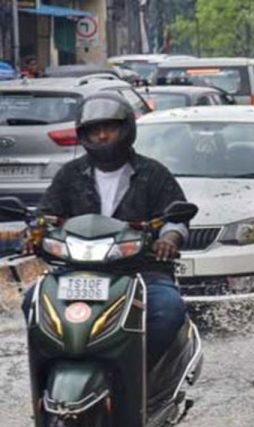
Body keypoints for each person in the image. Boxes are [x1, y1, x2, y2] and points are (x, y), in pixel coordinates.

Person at [21, 92, 189, 367]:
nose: (101, 136)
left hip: (140, 271)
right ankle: (48, 385)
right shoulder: (70, 174)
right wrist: (34, 233)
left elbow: (176, 217)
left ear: (126, 129)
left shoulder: (153, 173)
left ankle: (143, 375)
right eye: (94, 130)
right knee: (33, 303)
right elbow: (46, 215)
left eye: (109, 128)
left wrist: (169, 239)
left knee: (167, 311)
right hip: (76, 271)